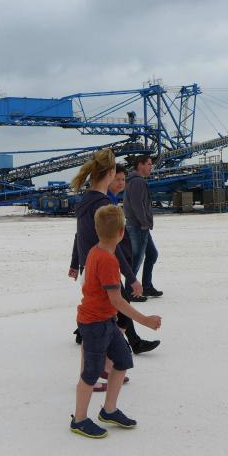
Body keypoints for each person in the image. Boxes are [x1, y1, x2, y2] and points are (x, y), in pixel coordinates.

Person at [70, 205, 162, 438]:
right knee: (90, 373)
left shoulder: (96, 251)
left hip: (106, 321)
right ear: (122, 233)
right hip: (94, 324)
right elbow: (117, 300)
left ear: (97, 230)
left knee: (122, 360)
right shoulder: (107, 260)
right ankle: (79, 420)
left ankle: (109, 410)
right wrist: (145, 320)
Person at [68, 152, 159, 359]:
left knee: (104, 310)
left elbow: (79, 235)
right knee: (119, 309)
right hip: (101, 267)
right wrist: (132, 277)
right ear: (110, 173)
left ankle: (103, 345)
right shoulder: (102, 204)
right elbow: (113, 246)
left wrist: (75, 263)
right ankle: (109, 355)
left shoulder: (86, 199)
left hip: (88, 266)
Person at [123, 155, 163, 300]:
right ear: (140, 165)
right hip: (138, 226)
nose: (151, 167)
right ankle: (130, 291)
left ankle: (146, 287)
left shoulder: (135, 181)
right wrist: (144, 222)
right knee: (136, 259)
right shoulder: (137, 182)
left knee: (152, 254)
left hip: (139, 225)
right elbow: (137, 205)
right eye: (149, 164)